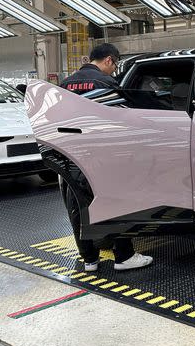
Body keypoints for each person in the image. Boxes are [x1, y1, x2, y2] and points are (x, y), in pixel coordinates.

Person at [59, 43, 153, 272]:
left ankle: (89, 260)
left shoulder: (65, 84)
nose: (114, 69)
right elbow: (122, 119)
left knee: (79, 206)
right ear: (109, 60)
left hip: (71, 155)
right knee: (114, 202)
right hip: (103, 154)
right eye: (115, 65)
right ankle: (124, 256)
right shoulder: (106, 83)